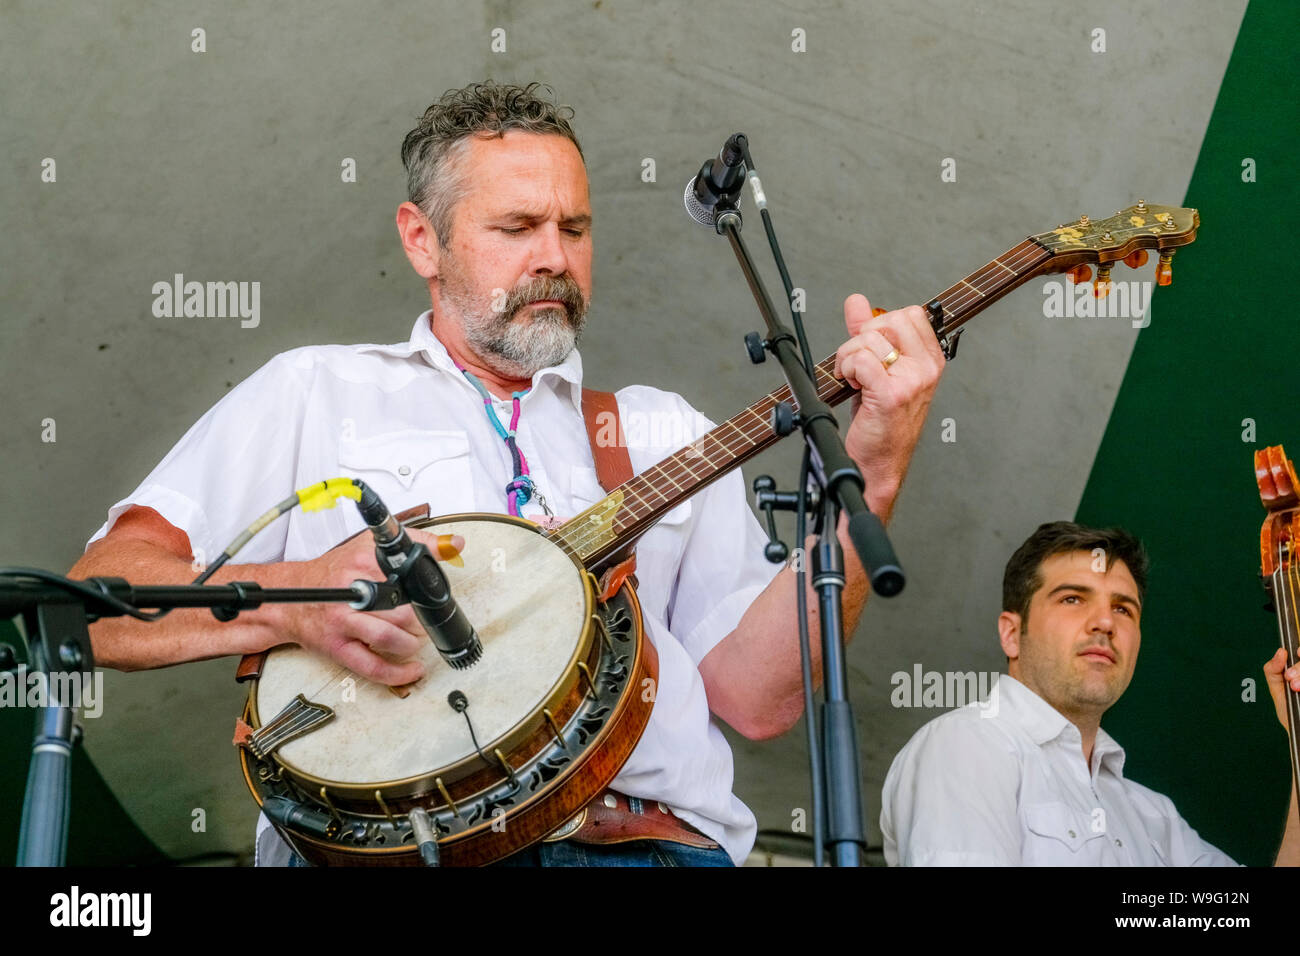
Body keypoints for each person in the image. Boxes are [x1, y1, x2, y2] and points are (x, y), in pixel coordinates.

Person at [70, 81, 947, 866]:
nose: (555, 258)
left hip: (657, 848)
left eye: (575, 228)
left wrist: (877, 461)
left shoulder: (653, 427)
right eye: (516, 228)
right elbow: (98, 606)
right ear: (423, 240)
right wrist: (294, 599)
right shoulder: (316, 390)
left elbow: (760, 700)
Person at [880, 520, 1300, 866]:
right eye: (1073, 599)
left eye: (1123, 608)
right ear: (1012, 634)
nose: (1104, 622)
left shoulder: (1153, 815)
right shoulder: (968, 746)